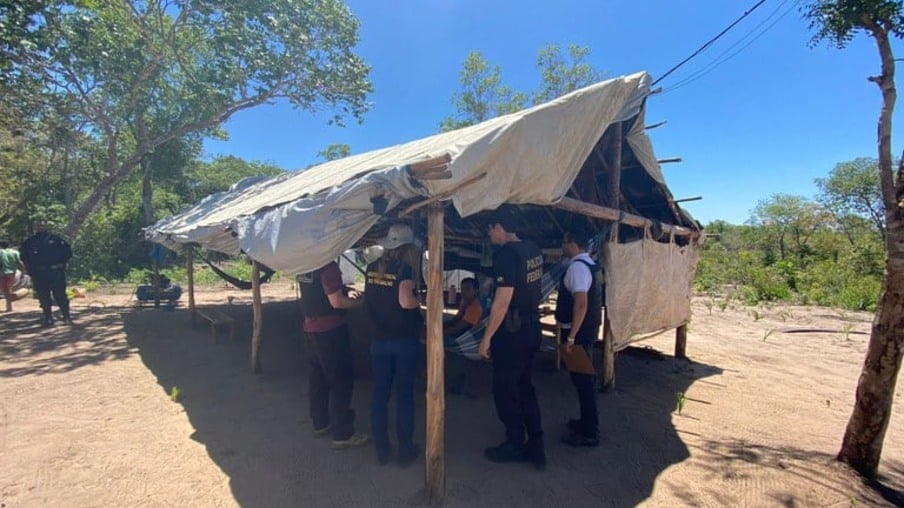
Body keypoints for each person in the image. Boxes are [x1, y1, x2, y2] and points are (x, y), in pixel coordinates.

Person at [478, 210, 546, 471]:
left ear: (499, 226)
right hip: (532, 328)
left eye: (489, 229)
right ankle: (536, 445)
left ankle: (515, 443)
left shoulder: (506, 255)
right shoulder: (533, 250)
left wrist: (487, 338)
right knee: (526, 387)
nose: (489, 234)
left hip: (512, 332)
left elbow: (502, 302)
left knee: (505, 390)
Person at [364, 223, 423, 467]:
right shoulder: (406, 270)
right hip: (404, 340)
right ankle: (405, 451)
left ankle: (382, 450)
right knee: (404, 395)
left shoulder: (371, 269)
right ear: (408, 248)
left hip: (378, 341)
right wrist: (419, 300)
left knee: (380, 394)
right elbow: (405, 302)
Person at [298, 260, 369, 450]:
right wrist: (360, 302)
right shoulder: (328, 268)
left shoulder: (304, 266)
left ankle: (320, 423)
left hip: (310, 328)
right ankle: (343, 433)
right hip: (330, 330)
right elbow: (336, 302)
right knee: (340, 380)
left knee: (317, 378)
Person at [555, 227, 603, 447]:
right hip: (589, 328)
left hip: (578, 332)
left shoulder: (577, 267)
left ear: (573, 242)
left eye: (564, 241)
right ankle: (585, 422)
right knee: (581, 378)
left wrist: (571, 337)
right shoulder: (591, 265)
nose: (562, 245)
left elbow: (581, 304)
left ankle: (589, 431)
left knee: (583, 380)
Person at [19, 219, 73, 326]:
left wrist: (62, 263)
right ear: (35, 227)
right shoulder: (30, 241)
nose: (40, 227)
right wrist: (30, 269)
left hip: (55, 272)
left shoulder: (56, 240)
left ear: (47, 227)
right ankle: (48, 318)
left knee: (60, 295)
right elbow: (23, 256)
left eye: (42, 226)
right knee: (43, 296)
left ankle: (66, 317)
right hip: (39, 273)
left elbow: (68, 252)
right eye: (38, 226)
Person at [0, 240, 23, 312]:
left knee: (5, 290)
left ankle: (9, 307)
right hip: (12, 273)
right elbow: (19, 262)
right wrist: (23, 272)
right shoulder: (15, 252)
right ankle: (9, 306)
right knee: (8, 289)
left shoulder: (0, 252)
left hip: (1, 273)